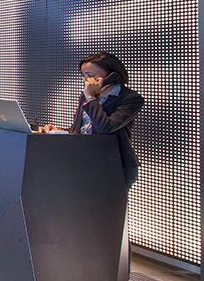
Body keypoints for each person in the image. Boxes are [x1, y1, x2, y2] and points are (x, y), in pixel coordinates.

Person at [39, 52, 144, 187]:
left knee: (108, 207)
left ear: (112, 75)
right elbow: (82, 129)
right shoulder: (87, 97)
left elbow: (106, 128)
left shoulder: (129, 99)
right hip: (85, 160)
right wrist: (59, 131)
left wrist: (91, 98)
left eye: (91, 75)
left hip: (114, 165)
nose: (86, 80)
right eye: (84, 76)